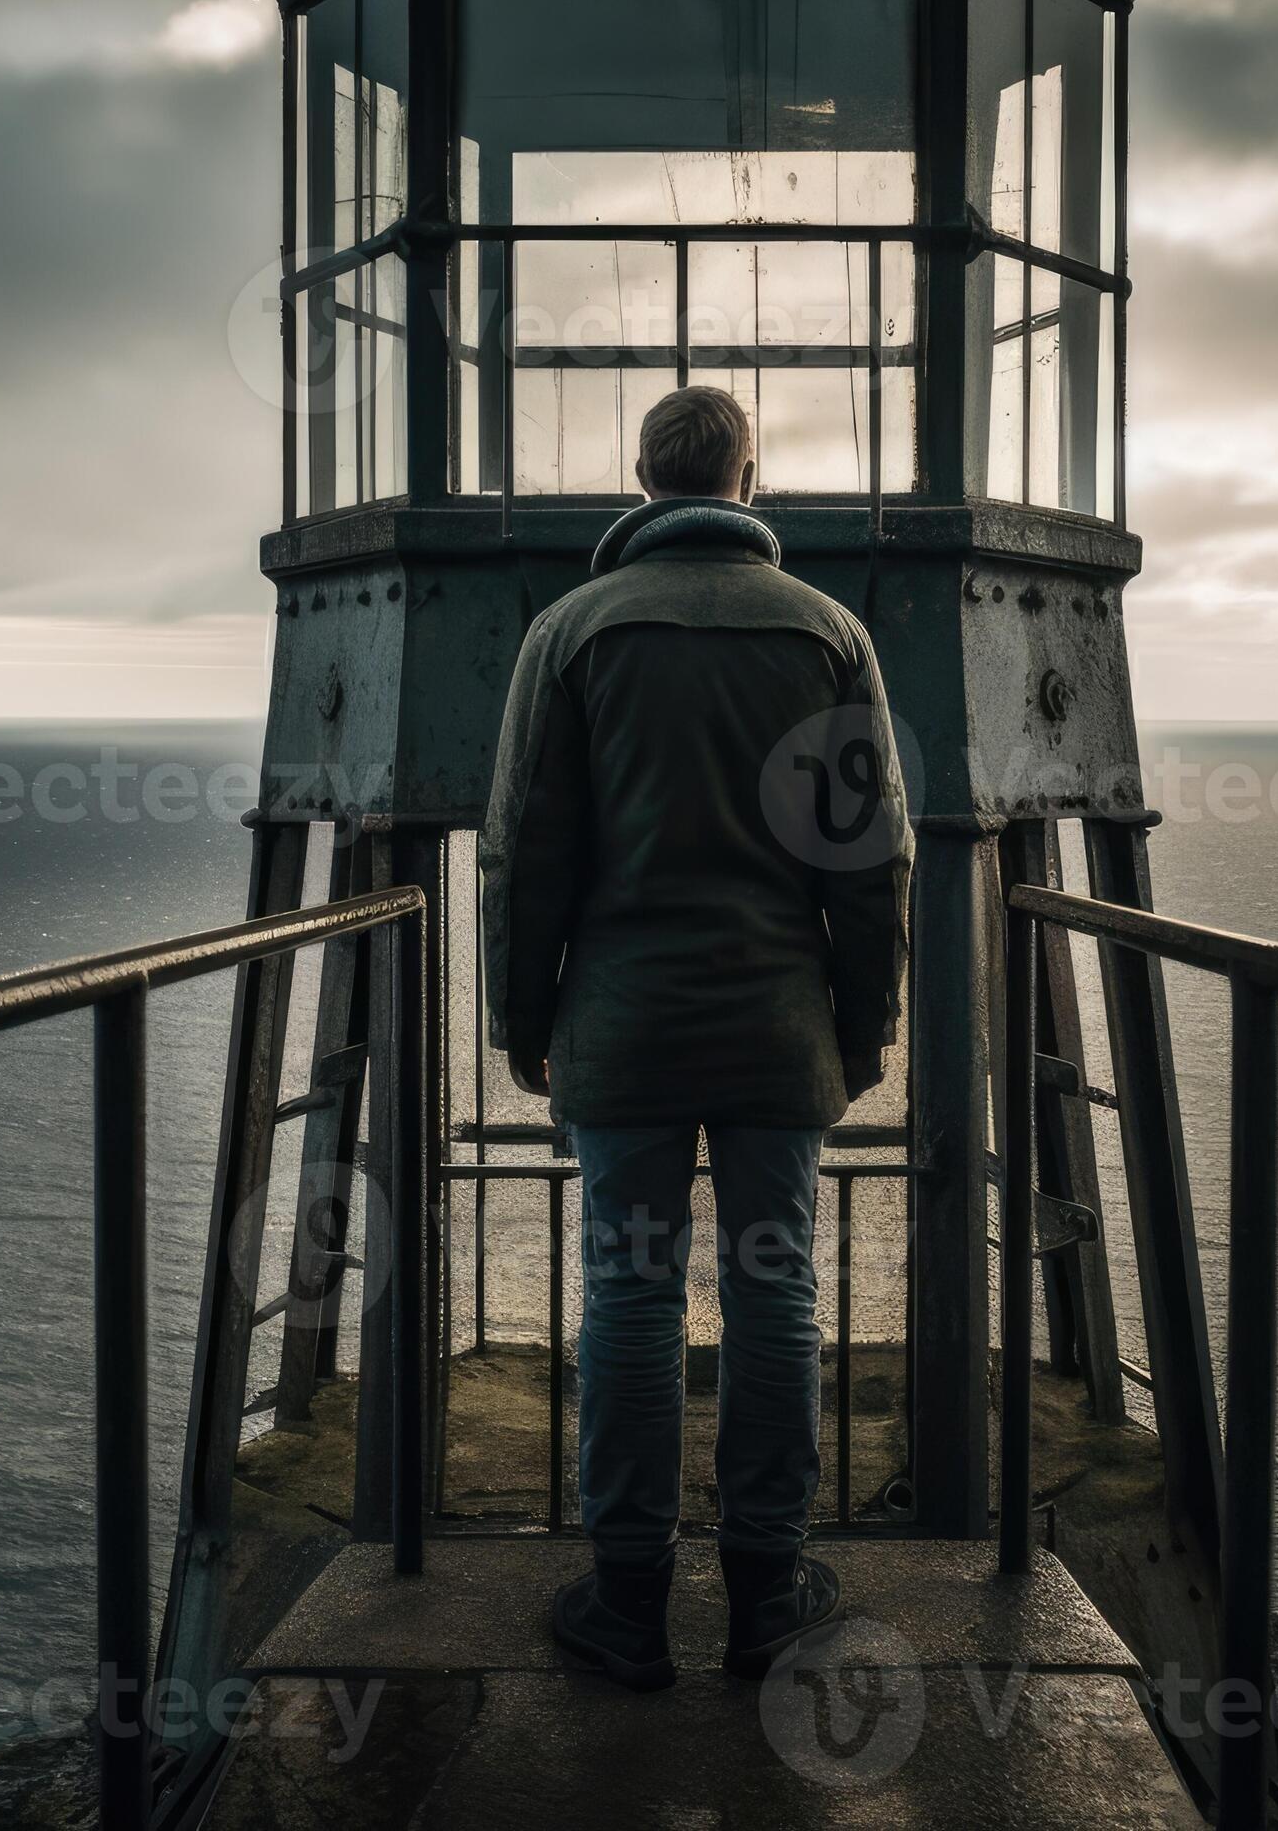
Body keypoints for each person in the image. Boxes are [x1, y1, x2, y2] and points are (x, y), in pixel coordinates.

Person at [480, 385, 912, 1692]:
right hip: (778, 1033)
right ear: (748, 477)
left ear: (641, 476)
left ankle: (627, 1602)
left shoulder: (569, 632)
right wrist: (861, 1027)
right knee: (775, 1299)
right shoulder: (829, 632)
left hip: (620, 1032)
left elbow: (522, 856)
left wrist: (521, 1021)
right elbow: (868, 862)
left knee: (627, 1297)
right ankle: (766, 1600)